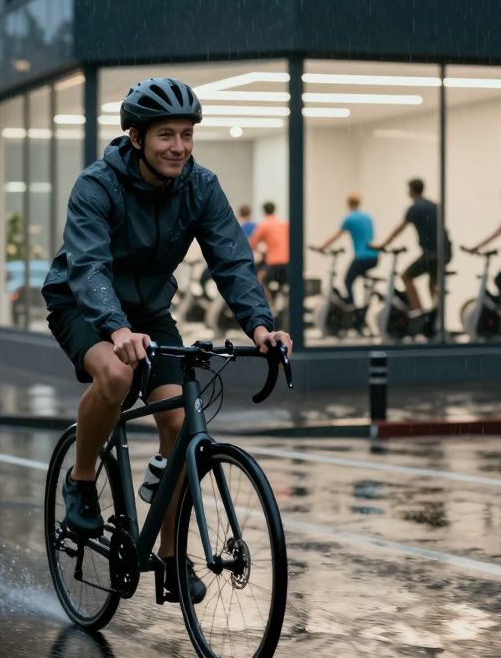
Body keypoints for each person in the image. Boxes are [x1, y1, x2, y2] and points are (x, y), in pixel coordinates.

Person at [41, 77, 292, 604]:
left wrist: (261, 325)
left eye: (186, 134)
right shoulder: (97, 186)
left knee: (179, 427)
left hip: (149, 311)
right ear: (136, 138)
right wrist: (114, 328)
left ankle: (173, 563)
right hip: (82, 303)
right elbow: (88, 267)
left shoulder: (200, 186)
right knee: (115, 372)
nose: (178, 146)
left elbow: (232, 258)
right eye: (165, 135)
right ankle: (82, 481)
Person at [370, 178, 452, 312]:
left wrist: (383, 244)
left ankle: (417, 311)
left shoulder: (415, 208)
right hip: (446, 252)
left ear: (411, 190)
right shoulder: (434, 205)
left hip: (431, 253)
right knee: (433, 284)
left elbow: (399, 229)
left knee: (406, 276)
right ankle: (435, 318)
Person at [316, 193, 378, 304]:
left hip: (362, 257)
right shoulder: (367, 217)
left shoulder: (349, 218)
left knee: (347, 281)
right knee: (358, 276)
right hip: (374, 257)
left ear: (348, 204)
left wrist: (322, 247)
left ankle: (351, 308)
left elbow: (336, 236)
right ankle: (362, 306)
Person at [249, 201, 290, 302]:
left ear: (264, 211)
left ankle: (271, 303)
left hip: (273, 262)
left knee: (259, 280)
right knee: (284, 283)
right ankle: (281, 300)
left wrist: (262, 250)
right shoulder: (284, 224)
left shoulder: (263, 225)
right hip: (287, 262)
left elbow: (252, 244)